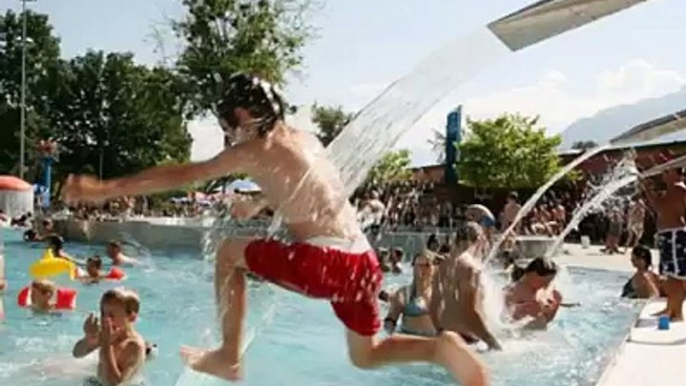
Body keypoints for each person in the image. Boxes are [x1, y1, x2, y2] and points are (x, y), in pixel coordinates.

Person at [63, 73, 487, 386]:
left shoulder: (255, 147)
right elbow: (310, 189)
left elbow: (185, 172)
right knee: (367, 355)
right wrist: (260, 202)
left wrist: (105, 189)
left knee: (230, 253)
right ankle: (440, 347)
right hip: (364, 262)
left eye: (229, 125)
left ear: (244, 115)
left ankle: (229, 357)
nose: (229, 136)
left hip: (329, 262)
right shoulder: (307, 140)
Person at [431, 222, 501, 350]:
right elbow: (468, 313)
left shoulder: (443, 264)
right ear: (479, 240)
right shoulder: (470, 268)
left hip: (446, 333)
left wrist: (439, 330)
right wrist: (491, 341)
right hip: (467, 338)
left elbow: (433, 304)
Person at [72, 288, 147, 386]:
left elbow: (117, 384)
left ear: (131, 317)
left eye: (111, 316)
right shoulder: (109, 333)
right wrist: (89, 338)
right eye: (103, 314)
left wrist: (107, 346)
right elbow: (77, 353)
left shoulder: (134, 346)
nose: (105, 320)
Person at [640, 166, 686, 321]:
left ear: (675, 173)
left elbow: (663, 207)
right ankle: (670, 308)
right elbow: (658, 207)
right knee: (668, 275)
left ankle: (677, 313)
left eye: (667, 171)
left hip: (674, 235)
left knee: (675, 277)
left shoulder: (678, 188)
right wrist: (647, 189)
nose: (663, 174)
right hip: (669, 235)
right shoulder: (672, 189)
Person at [384, 250, 438, 337]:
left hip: (433, 342)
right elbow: (390, 321)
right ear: (414, 268)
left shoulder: (440, 293)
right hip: (410, 340)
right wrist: (392, 336)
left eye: (427, 265)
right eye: (419, 265)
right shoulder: (403, 294)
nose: (423, 269)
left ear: (434, 268)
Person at [505, 257, 562, 329]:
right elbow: (506, 318)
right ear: (532, 275)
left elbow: (547, 319)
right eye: (544, 281)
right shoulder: (515, 290)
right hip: (519, 331)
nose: (546, 285)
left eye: (549, 281)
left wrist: (551, 310)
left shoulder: (543, 290)